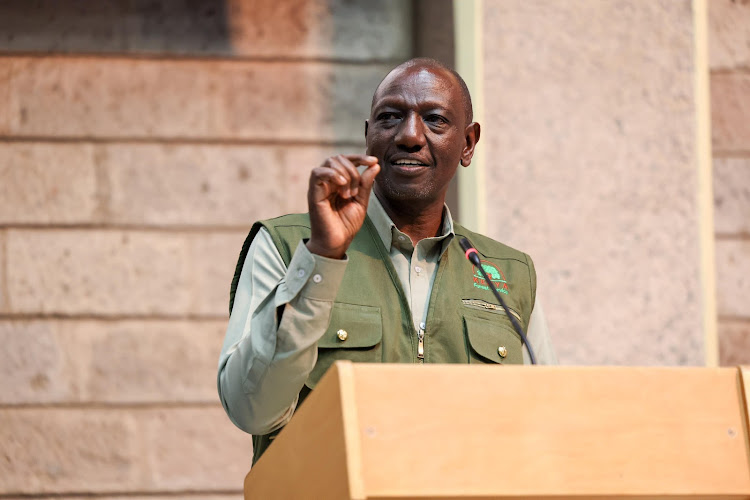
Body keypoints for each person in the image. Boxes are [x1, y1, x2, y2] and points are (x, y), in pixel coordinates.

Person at [218, 58, 557, 464]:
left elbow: (543, 425)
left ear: (468, 144)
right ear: (368, 136)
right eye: (391, 117)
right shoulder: (288, 245)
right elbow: (251, 410)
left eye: (434, 119)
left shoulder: (508, 273)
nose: (409, 136)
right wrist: (322, 258)